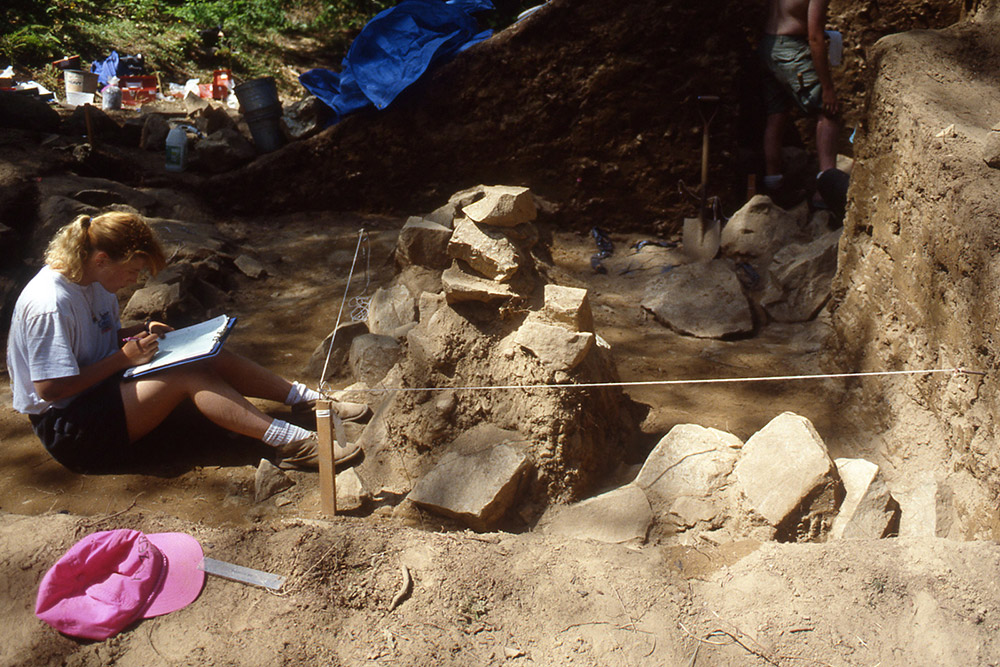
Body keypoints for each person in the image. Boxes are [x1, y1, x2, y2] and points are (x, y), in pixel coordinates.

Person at [6, 211, 368, 473]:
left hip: (99, 391)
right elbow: (51, 388)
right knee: (186, 375)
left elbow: (93, 338)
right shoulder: (49, 304)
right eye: (132, 271)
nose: (134, 280)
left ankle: (304, 401)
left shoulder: (95, 282)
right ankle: (289, 443)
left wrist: (136, 335)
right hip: (70, 428)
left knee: (204, 355)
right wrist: (122, 359)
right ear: (101, 259)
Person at [758, 0, 840, 207]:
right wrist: (828, 88)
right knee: (828, 111)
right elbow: (815, 37)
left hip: (768, 46)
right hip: (791, 50)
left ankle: (774, 188)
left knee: (776, 115)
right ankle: (825, 192)